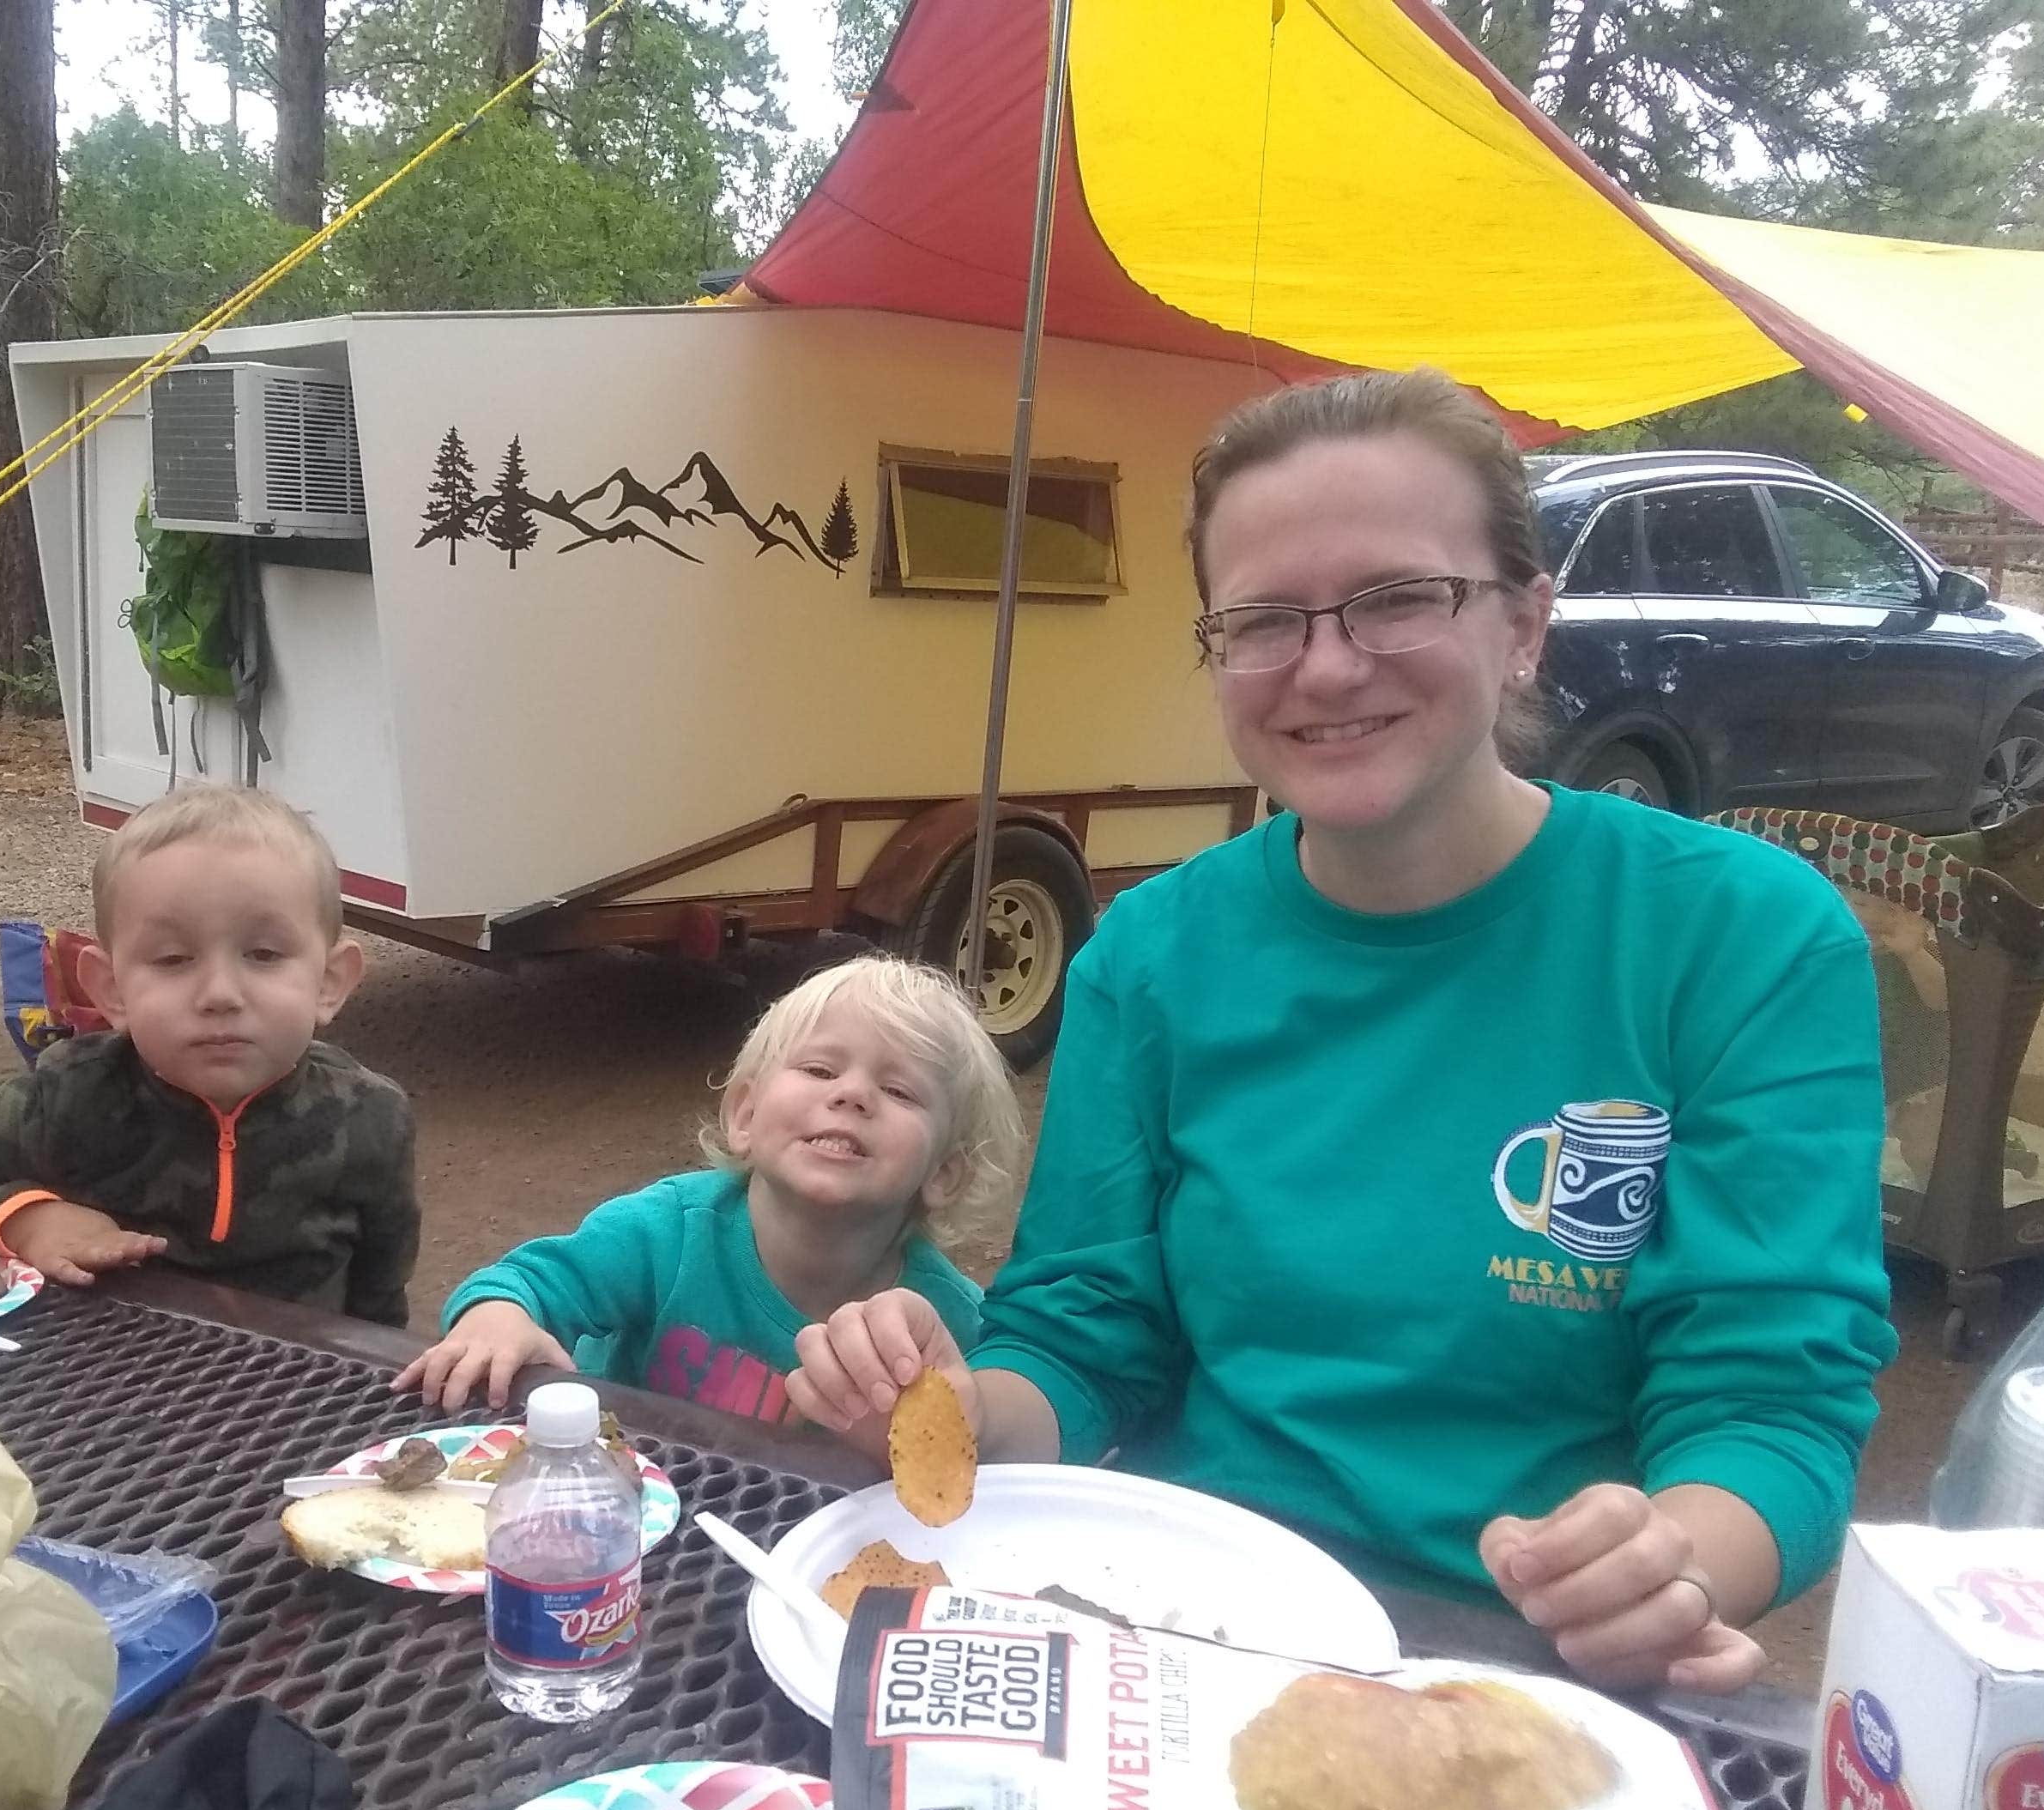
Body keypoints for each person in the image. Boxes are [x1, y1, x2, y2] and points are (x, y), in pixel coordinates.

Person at [790, 368, 1895, 1694]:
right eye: (1260, 621)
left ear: (1525, 624)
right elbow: (1086, 1334)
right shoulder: (1152, 953)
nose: (1323, 666)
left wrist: (1669, 1558)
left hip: (1521, 1666)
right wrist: (964, 1410)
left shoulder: (1743, 940)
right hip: (1190, 1630)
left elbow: (1770, 1404)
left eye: (1396, 598)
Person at [0, 784, 420, 1323]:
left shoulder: (371, 1119)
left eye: (264, 953)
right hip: (102, 1387)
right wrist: (26, 1221)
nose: (220, 993)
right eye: (173, 959)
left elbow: (380, 1305)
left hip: (295, 1397)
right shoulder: (68, 1101)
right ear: (111, 989)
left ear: (330, 981)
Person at [397, 955, 1021, 1422]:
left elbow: (970, 1447)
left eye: (900, 1091)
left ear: (944, 1172)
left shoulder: (944, 1322)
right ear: (745, 1115)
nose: (852, 1094)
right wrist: (496, 1319)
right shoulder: (667, 1231)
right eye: (819, 1069)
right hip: (624, 1510)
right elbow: (524, 1283)